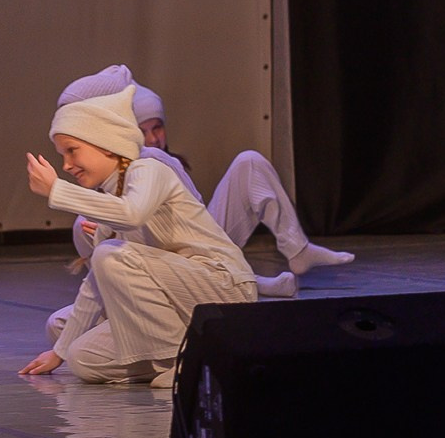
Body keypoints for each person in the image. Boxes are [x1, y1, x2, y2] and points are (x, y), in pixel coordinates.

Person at [25, 82, 255, 385]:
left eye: (72, 151)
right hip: (179, 304)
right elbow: (97, 283)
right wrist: (60, 351)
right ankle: (199, 355)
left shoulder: (149, 170)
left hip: (223, 291)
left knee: (109, 255)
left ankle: (182, 358)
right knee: (83, 359)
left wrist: (57, 190)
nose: (66, 165)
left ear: (105, 143)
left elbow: (133, 213)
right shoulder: (111, 197)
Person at [57, 65, 351, 297]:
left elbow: (192, 229)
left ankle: (292, 252)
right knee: (85, 227)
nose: (152, 138)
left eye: (157, 128)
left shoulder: (160, 163)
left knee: (249, 162)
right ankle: (246, 282)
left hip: (200, 244)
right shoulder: (110, 170)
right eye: (142, 130)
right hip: (157, 268)